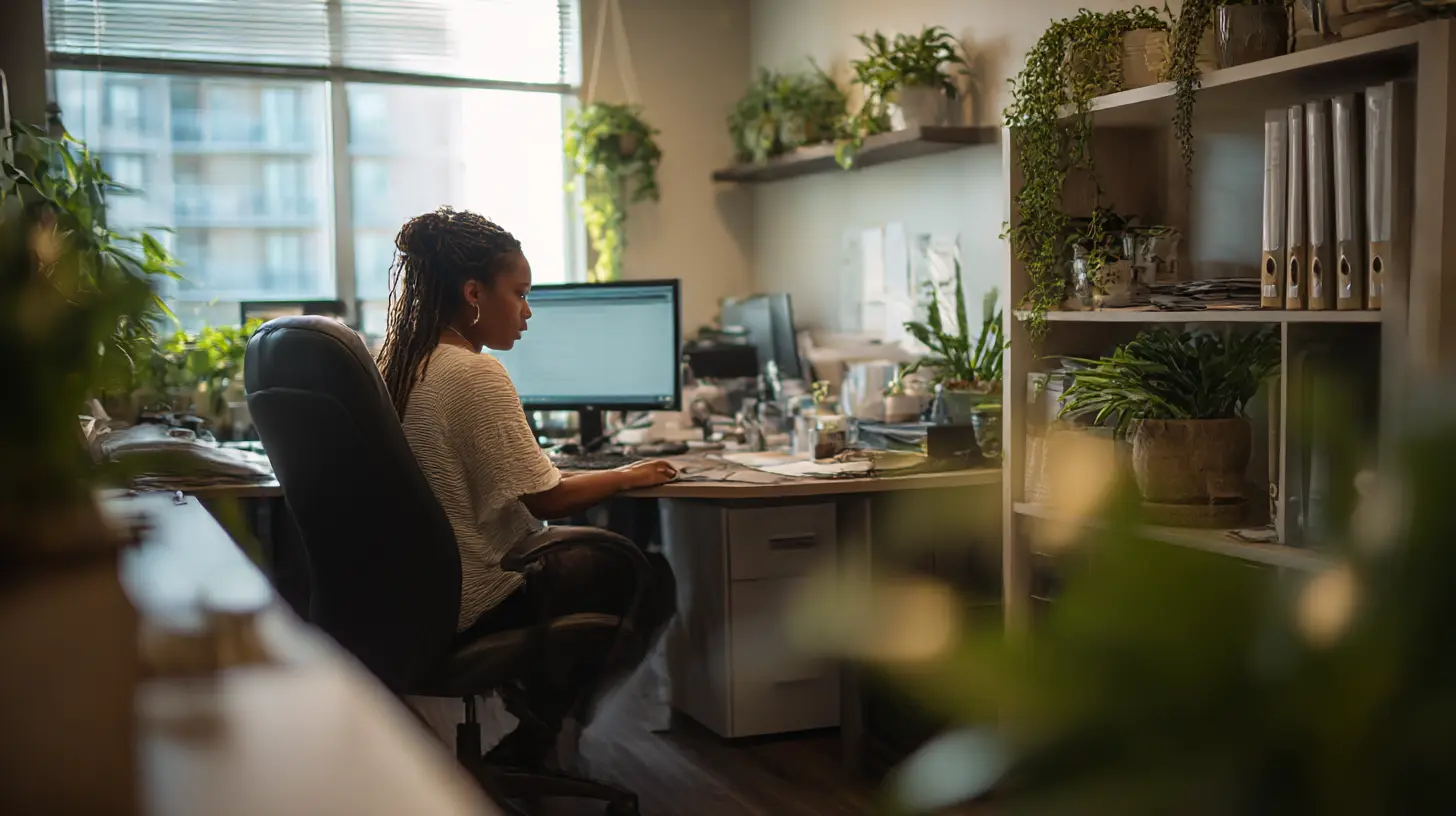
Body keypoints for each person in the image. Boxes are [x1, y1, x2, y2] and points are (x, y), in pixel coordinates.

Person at [375, 206, 678, 768]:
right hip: (478, 597)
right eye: (518, 294)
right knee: (650, 574)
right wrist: (626, 475)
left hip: (410, 599)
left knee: (600, 567)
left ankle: (532, 723)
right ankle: (541, 736)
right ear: (473, 293)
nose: (527, 311)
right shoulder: (472, 371)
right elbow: (547, 498)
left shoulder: (395, 360)